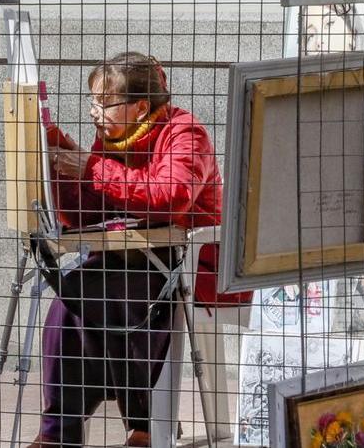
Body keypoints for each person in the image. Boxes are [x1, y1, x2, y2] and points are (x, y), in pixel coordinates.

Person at [31, 52, 222, 448]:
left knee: (117, 299)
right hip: (129, 255)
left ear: (140, 107)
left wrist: (91, 169)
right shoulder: (114, 138)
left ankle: (147, 423)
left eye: (104, 102)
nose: (94, 112)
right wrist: (58, 162)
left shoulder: (185, 132)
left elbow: (172, 196)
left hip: (180, 261)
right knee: (69, 300)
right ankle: (59, 432)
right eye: (92, 101)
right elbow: (92, 213)